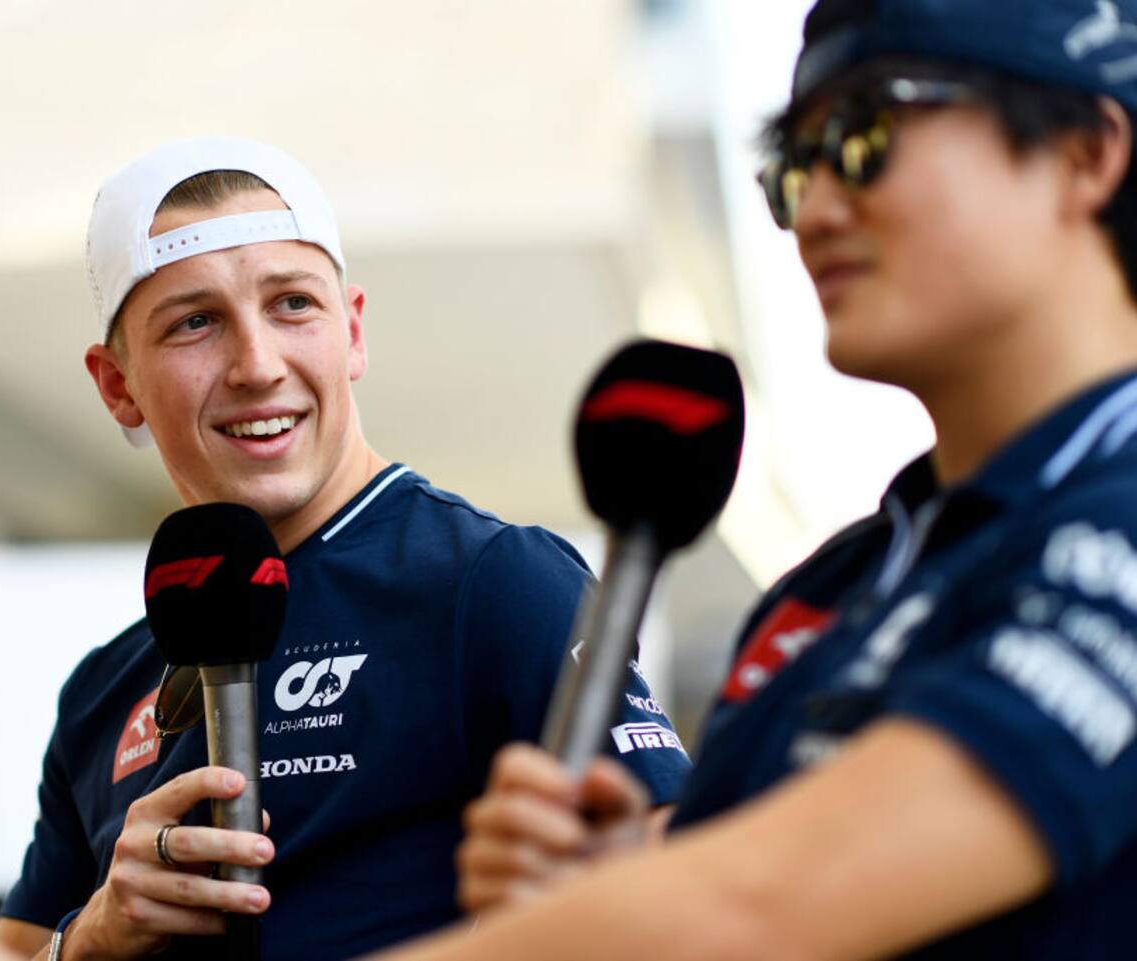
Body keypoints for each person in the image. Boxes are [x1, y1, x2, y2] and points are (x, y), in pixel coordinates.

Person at [376, 1, 1137, 958]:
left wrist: (662, 906)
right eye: (793, 167)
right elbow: (737, 882)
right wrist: (630, 872)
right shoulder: (831, 588)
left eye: (864, 139)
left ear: (1084, 152)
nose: (813, 212)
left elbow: (763, 904)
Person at [0, 137, 692, 961]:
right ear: (118, 385)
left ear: (351, 332)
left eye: (292, 305)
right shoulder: (102, 689)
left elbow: (679, 882)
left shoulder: (495, 581)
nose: (257, 364)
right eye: (195, 322)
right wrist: (90, 937)